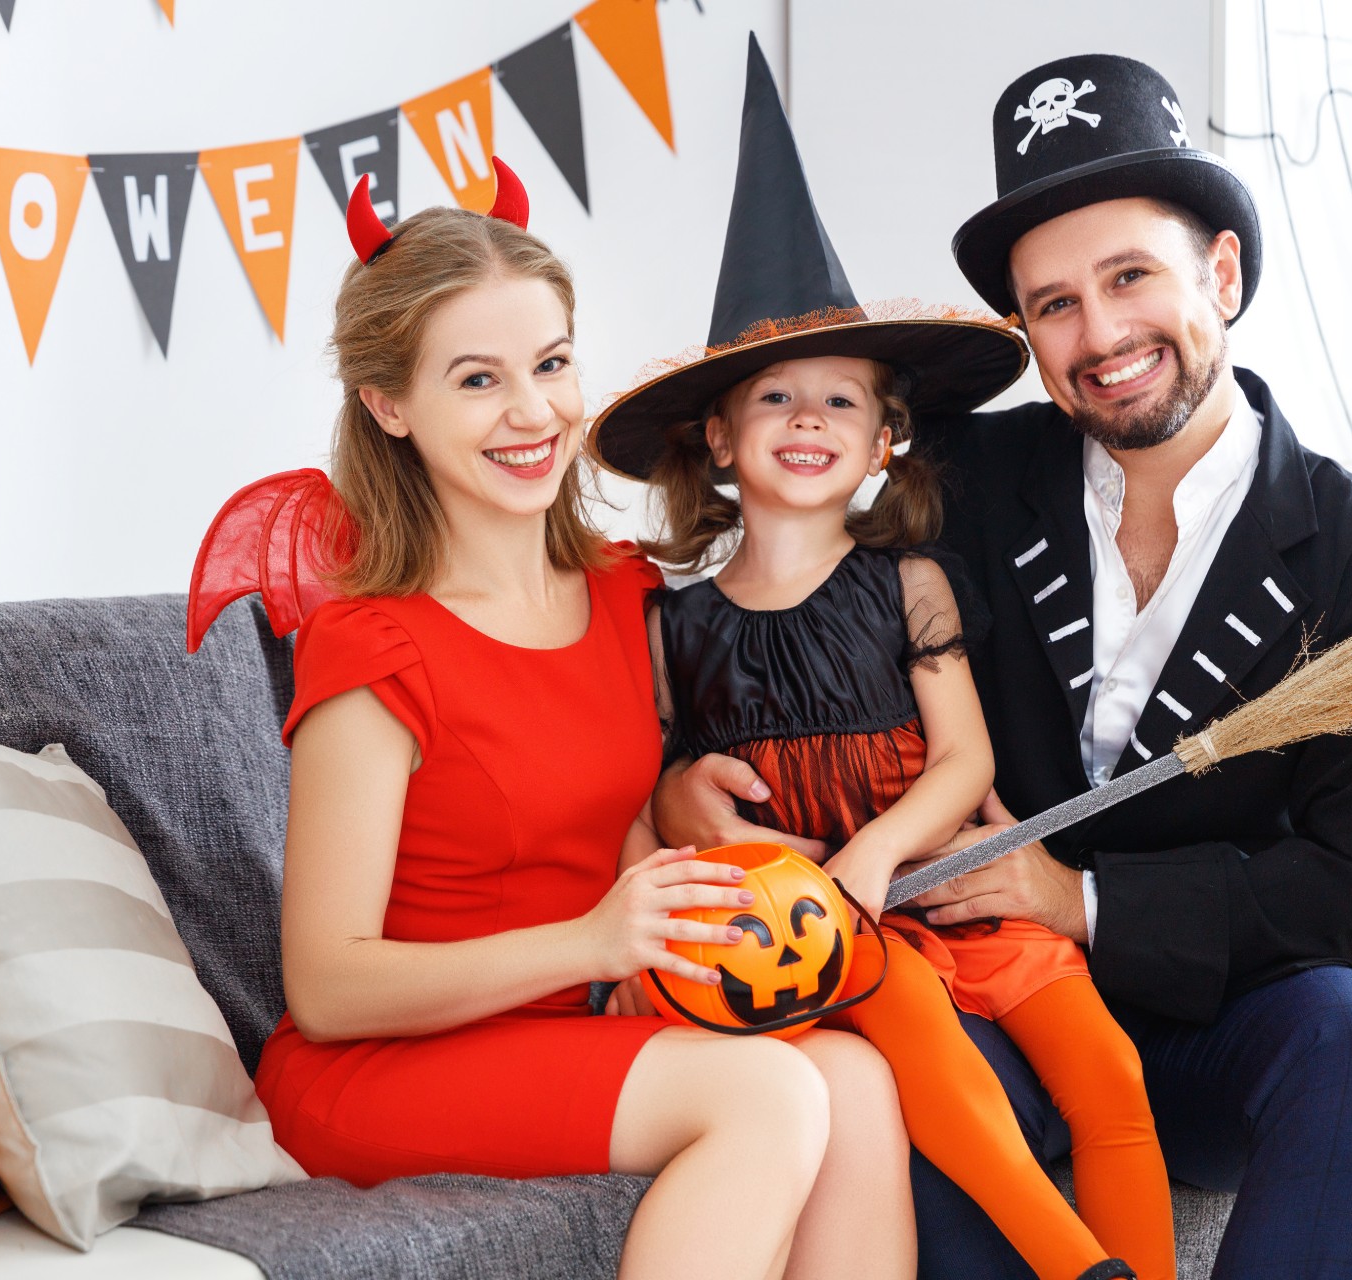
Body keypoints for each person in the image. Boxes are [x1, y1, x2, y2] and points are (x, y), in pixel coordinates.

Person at [654, 53, 1352, 1280]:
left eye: (1130, 276)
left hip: (1209, 1018)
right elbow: (795, 618)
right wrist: (679, 794)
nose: (1099, 336)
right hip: (975, 1002)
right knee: (890, 1083)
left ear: (1224, 272)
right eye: (1053, 304)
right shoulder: (962, 488)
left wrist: (1081, 902)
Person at [196, 164, 916, 1280]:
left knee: (858, 1082)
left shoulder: (627, 592)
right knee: (768, 1091)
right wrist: (592, 941)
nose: (533, 413)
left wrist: (686, 857)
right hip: (385, 1060)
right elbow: (328, 988)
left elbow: (615, 817)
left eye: (551, 363)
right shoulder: (373, 646)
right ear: (390, 405)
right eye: (477, 380)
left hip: (565, 1019)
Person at [591, 40, 1172, 1280]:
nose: (808, 420)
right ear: (721, 436)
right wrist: (674, 805)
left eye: (842, 401)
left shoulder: (908, 583)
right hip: (828, 928)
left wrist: (875, 849)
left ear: (886, 441)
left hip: (936, 879)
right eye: (775, 399)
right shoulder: (672, 620)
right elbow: (652, 783)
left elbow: (963, 758)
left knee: (1109, 1071)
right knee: (938, 1063)